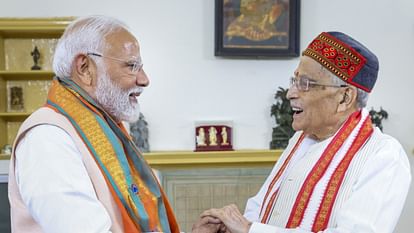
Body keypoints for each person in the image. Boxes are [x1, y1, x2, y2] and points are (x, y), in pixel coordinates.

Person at [198, 31, 411, 233]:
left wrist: (249, 229)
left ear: (344, 98)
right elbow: (261, 208)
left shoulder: (384, 155)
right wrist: (227, 226)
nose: (290, 93)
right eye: (294, 80)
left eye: (305, 83)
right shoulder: (300, 139)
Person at [8, 15, 179, 233]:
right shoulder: (47, 138)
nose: (144, 79)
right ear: (85, 68)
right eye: (132, 66)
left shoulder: (108, 126)